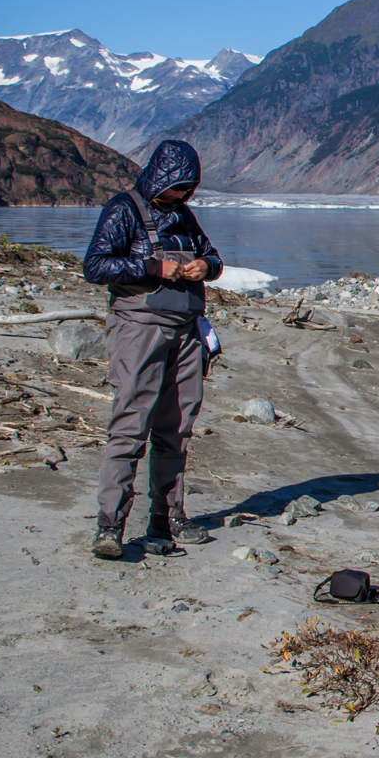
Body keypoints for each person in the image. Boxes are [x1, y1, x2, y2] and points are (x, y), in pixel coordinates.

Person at [83, 140, 224, 559]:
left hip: (185, 331)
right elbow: (95, 265)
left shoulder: (183, 214)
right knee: (130, 425)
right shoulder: (124, 209)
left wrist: (206, 267)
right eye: (178, 187)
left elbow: (212, 255)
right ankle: (110, 526)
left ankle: (166, 520)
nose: (183, 195)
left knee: (176, 428)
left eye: (189, 188)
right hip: (139, 329)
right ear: (161, 178)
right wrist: (150, 266)